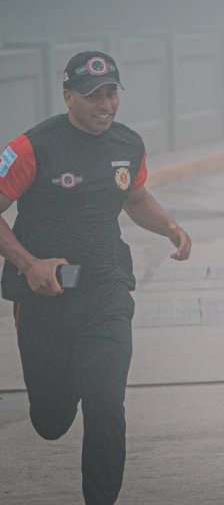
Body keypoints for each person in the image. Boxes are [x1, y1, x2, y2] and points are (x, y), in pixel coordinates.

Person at [0, 51, 192, 505]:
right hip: (45, 299)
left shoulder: (128, 145)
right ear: (68, 96)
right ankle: (58, 394)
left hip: (106, 290)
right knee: (51, 421)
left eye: (110, 93)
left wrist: (168, 226)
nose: (104, 104)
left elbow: (135, 196)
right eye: (91, 95)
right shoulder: (32, 147)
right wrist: (29, 264)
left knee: (106, 402)